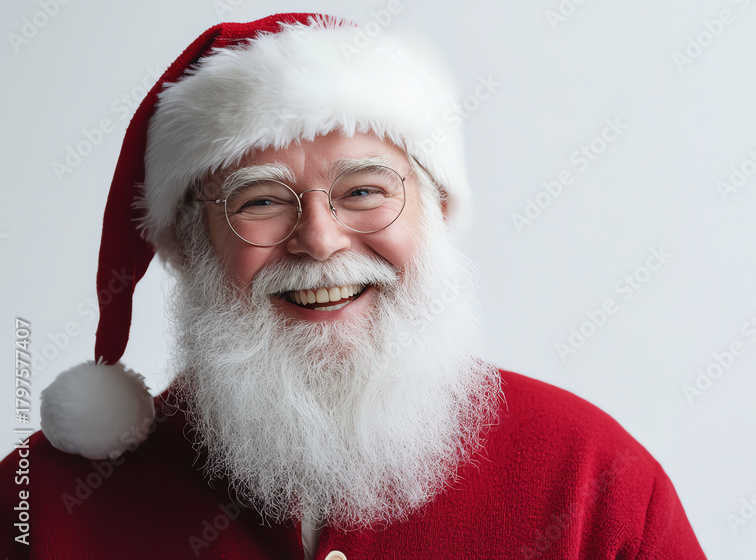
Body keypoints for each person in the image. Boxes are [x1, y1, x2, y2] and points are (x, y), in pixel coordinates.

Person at [1, 13, 706, 559]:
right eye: (260, 201)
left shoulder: (594, 482)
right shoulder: (41, 506)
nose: (321, 240)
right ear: (193, 245)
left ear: (434, 211)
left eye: (364, 189)